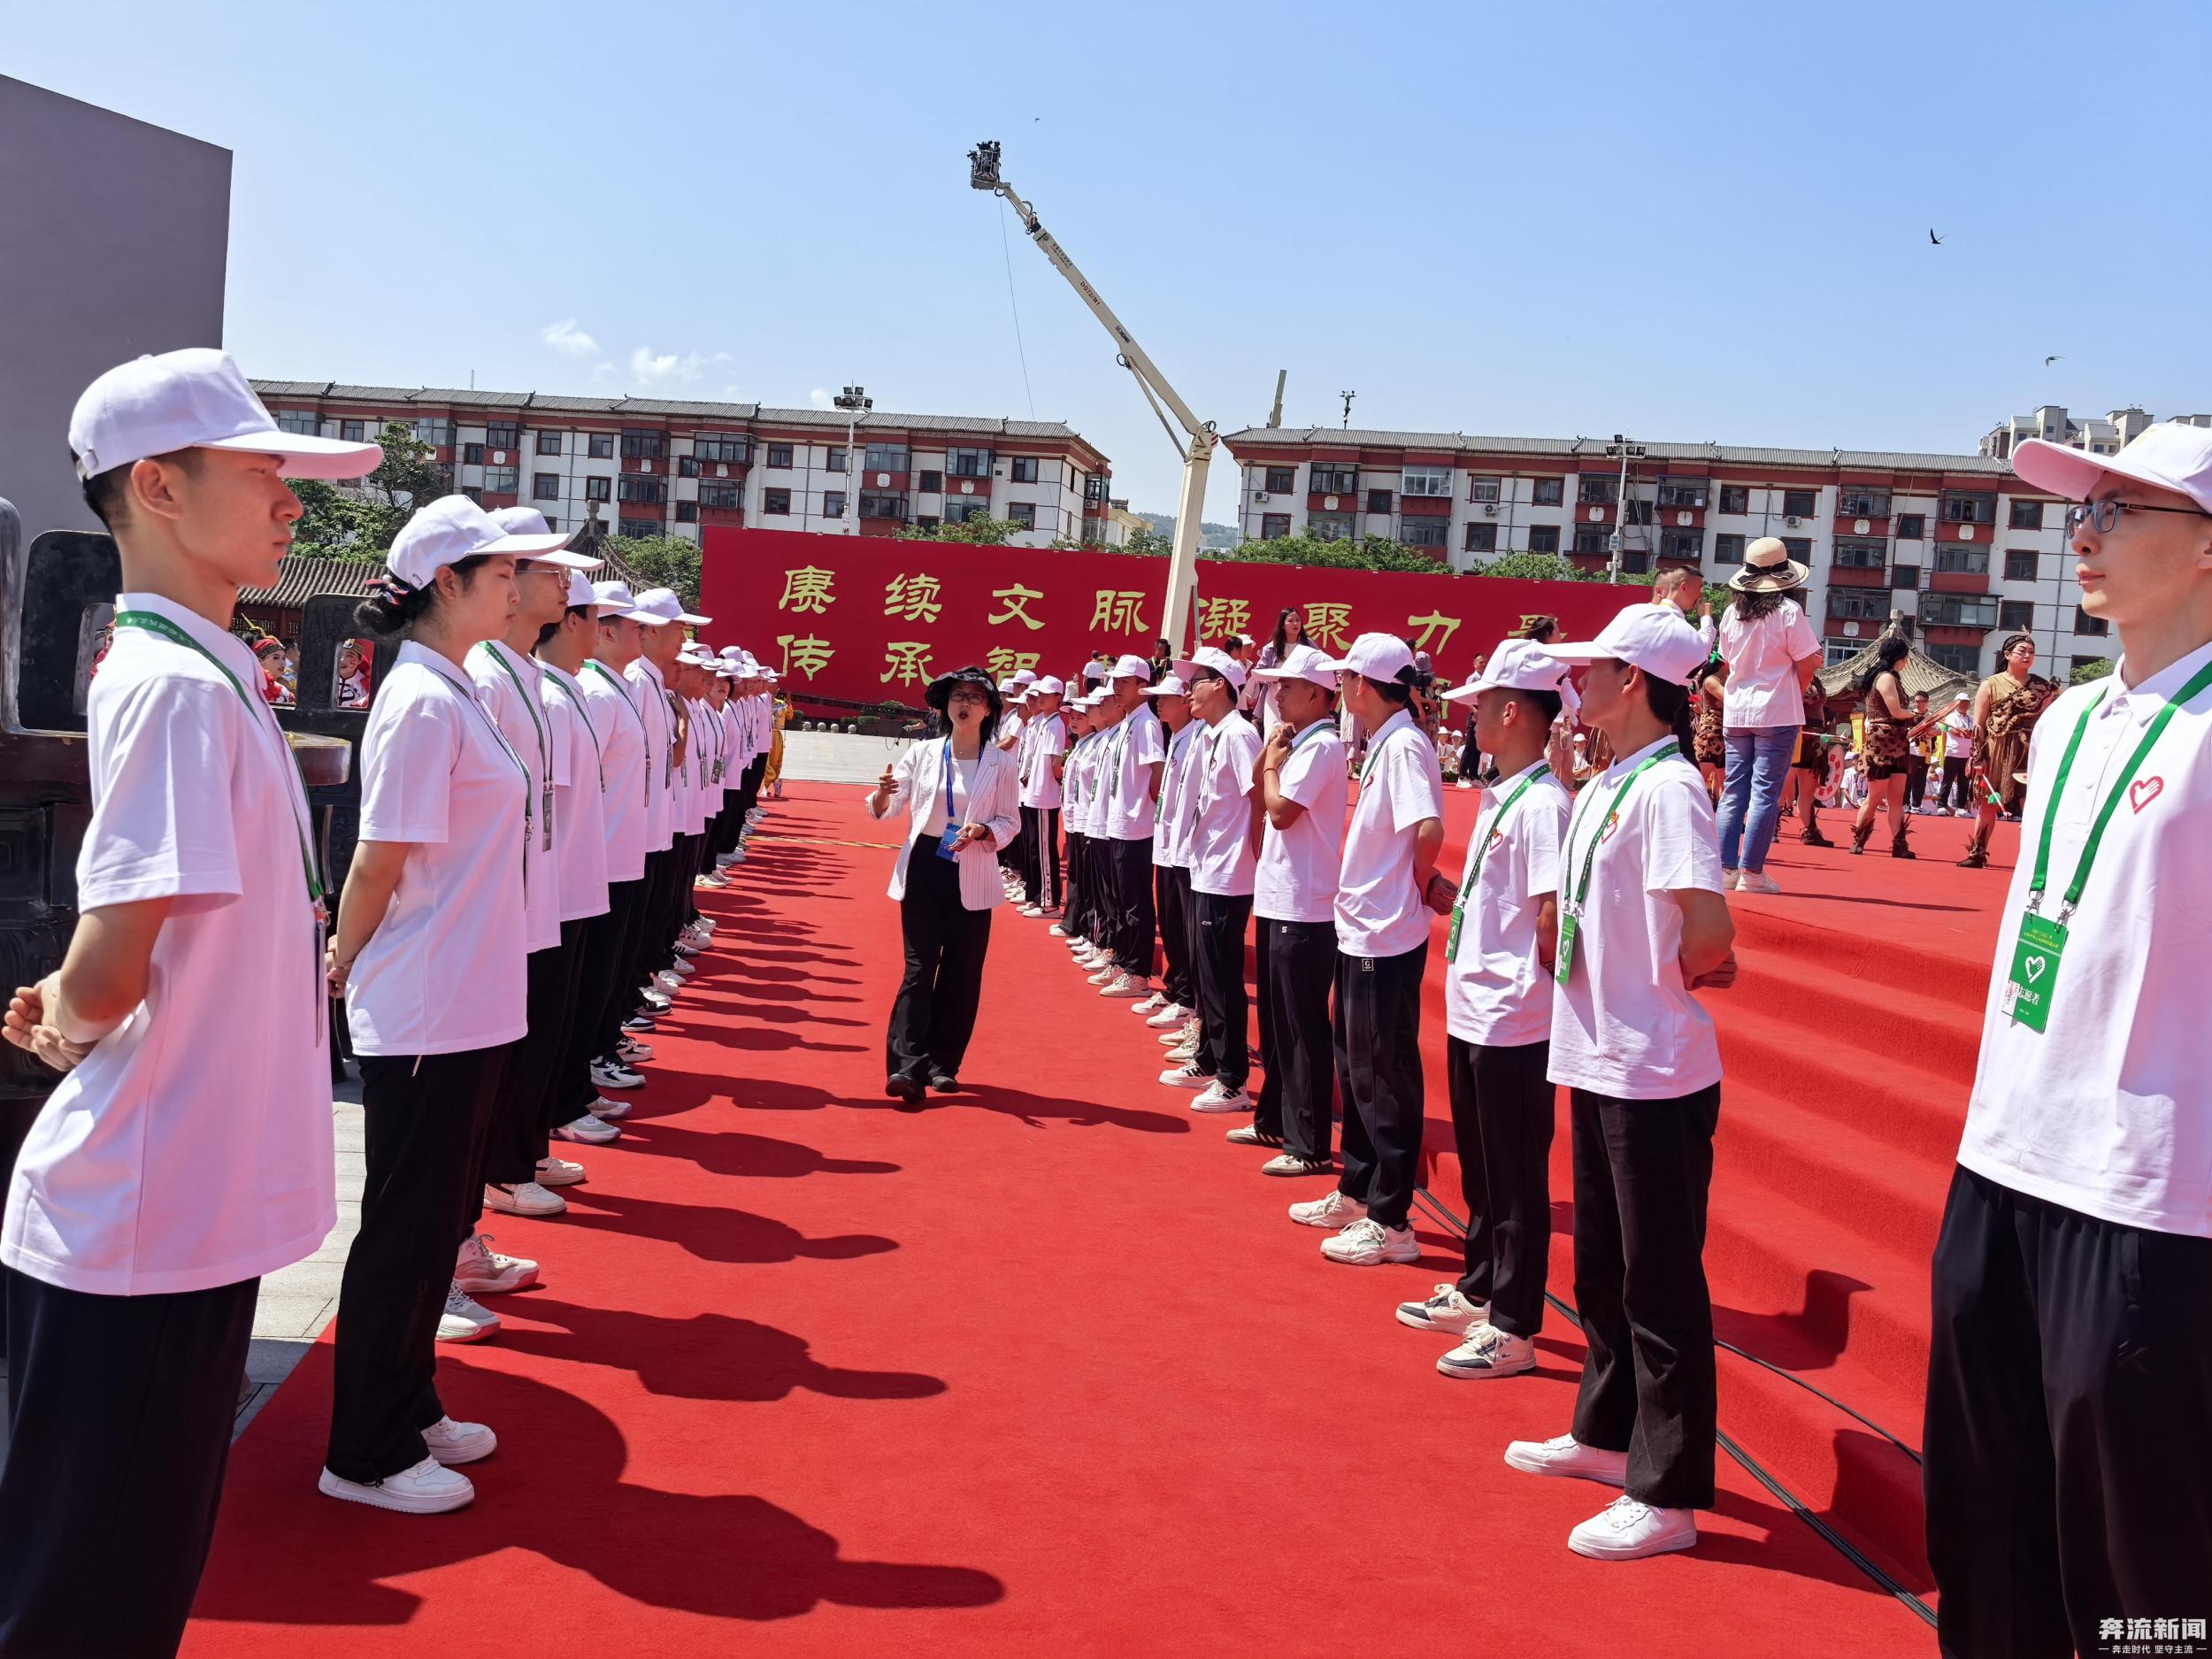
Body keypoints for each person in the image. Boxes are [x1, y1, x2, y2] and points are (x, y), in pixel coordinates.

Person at [0, 349, 380, 1654]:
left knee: (115, 1571)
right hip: (145, 1214)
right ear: (158, 487)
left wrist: (69, 1005)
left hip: (177, 1203)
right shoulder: (168, 685)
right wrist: (65, 1013)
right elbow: (114, 965)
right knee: (89, 1590)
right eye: (264, 472)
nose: (291, 503)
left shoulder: (202, 674)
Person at [1924, 420, 2212, 1656]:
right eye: (2081, 510)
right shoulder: (2063, 719)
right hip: (2002, 1154)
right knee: (1985, 1510)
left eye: (2119, 511)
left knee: (2147, 1559)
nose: (2081, 535)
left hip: (2149, 1189)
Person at [320, 495, 569, 1513]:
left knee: (431, 1231)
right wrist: (343, 959)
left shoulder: (457, 687)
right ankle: (364, 1452)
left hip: (470, 999)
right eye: (501, 572)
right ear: (446, 583)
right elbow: (379, 859)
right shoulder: (422, 700)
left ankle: (411, 1401)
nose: (518, 587)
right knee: (403, 1231)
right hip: (426, 1003)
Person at [1504, 601, 1737, 1562]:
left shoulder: (1668, 788)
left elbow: (1711, 933)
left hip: (1654, 1067)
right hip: (1598, 1052)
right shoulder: (1608, 780)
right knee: (1602, 1264)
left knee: (1661, 1279)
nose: (1574, 679)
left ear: (1633, 679)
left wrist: (1658, 983)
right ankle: (1605, 1434)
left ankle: (1669, 1492)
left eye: (1589, 666)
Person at [1410, 640, 1576, 1379]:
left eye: (1480, 705)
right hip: (1475, 1005)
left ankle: (1513, 1322)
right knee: (1482, 1167)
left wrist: (1524, 985)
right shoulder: (1501, 792)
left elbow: (1549, 917)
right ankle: (1480, 1284)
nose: (1469, 717)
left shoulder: (1544, 803)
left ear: (1512, 713)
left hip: (1514, 1014)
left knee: (1515, 1176)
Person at [1288, 634, 1446, 1266]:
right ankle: (1358, 1189)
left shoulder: (1404, 745)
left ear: (1362, 684)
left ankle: (1391, 1218)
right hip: (1362, 929)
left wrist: (1416, 887)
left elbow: (1427, 829)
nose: (1343, 688)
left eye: (1347, 677)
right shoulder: (1385, 740)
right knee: (1356, 1068)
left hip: (1386, 932)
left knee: (1383, 1075)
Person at [467, 511, 605, 1225]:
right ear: (509, 581)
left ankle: (523, 1150)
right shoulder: (487, 677)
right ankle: (501, 1168)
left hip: (543, 885)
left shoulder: (529, 676)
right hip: (507, 898)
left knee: (542, 1030)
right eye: (551, 571)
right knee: (514, 1043)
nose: (565, 585)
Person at [866, 668, 1019, 1105]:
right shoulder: (924, 752)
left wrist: (984, 830)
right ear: (945, 705)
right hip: (924, 866)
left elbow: (1011, 821)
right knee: (918, 968)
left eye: (974, 697)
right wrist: (882, 794)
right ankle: (906, 1067)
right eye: (957, 696)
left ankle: (943, 1065)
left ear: (988, 709)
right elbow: (888, 807)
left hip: (972, 866)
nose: (964, 703)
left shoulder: (1001, 762)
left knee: (962, 971)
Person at [1246, 642, 1348, 1176]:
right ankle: (1275, 1120)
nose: (1277, 694)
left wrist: (1273, 765)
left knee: (1302, 1025)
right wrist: (1272, 754)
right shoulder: (1296, 742)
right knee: (1277, 1020)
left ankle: (1308, 1144)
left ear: (1315, 693)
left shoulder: (1321, 747)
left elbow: (1281, 811)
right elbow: (1259, 788)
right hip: (1281, 895)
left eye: (1286, 686)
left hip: (1305, 905)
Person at [1164, 648, 1262, 1113]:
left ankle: (1232, 1079)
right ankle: (1207, 1059)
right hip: (1204, 867)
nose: (1189, 692)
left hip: (1228, 874)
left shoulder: (1240, 735)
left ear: (1221, 685)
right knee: (1206, 976)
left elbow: (1258, 799)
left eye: (1196, 682)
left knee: (1222, 979)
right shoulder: (1211, 734)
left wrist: (1253, 858)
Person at [1714, 536, 1823, 893]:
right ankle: (1752, 873)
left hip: (1737, 711)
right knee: (1764, 793)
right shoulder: (1788, 611)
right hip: (1776, 711)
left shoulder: (1731, 613)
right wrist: (1798, 689)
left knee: (1733, 791)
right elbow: (1809, 661)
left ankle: (1725, 869)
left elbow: (1726, 661)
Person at [1094, 653, 1165, 1000]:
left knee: (1136, 902)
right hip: (1119, 823)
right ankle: (1122, 961)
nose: (1117, 688)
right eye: (1115, 682)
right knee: (1122, 900)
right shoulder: (1127, 722)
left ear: (1142, 685)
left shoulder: (1147, 724)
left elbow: (1157, 773)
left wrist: (1143, 809)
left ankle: (1137, 973)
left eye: (1124, 682)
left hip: (1136, 827)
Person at [1957, 632, 2059, 869]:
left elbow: (2052, 719)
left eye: (2031, 652)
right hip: (1997, 750)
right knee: (1988, 803)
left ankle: (2035, 859)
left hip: (2028, 751)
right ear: (2007, 655)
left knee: (2031, 804)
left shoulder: (2044, 687)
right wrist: (1978, 758)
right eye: (2022, 651)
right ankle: (1978, 852)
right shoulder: (1990, 684)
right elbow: (1979, 724)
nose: (2027, 655)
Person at [1135, 672, 1200, 1034]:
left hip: (1186, 848)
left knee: (1183, 926)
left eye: (1165, 698)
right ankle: (1176, 989)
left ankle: (1187, 997)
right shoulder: (1175, 736)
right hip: (1167, 843)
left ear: (1185, 702)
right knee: (1171, 922)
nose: (1158, 703)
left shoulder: (1196, 739)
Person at [1849, 636, 1917, 858]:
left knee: (1897, 798)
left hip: (1897, 740)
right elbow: (1896, 712)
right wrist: (1917, 715)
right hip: (1882, 742)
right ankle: (1859, 839)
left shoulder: (1890, 677)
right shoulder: (1886, 677)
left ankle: (1899, 843)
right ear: (1899, 658)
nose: (1907, 661)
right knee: (1875, 796)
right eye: (1905, 657)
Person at [1015, 676, 1068, 916]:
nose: (1040, 698)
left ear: (1058, 698)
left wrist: (1056, 782)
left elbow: (1055, 763)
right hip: (1034, 794)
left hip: (1045, 796)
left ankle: (1049, 902)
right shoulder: (1045, 723)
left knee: (1045, 851)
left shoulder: (1055, 725)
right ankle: (1037, 897)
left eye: (1047, 695)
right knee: (1035, 849)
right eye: (1040, 694)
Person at [1252, 605, 1308, 731]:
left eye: (1298, 620)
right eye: (1291, 621)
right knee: (1274, 731)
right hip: (1275, 693)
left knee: (1296, 731)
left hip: (1299, 692)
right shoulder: (1271, 647)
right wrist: (1273, 676)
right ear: (1282, 625)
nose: (1295, 623)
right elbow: (1259, 672)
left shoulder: (1308, 645)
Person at [1651, 566, 1716, 652]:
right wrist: (1707, 617)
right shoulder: (1678, 626)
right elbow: (1701, 649)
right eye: (1699, 588)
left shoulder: (1636, 612)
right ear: (1684, 587)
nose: (1701, 595)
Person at [1692, 655, 1727, 801]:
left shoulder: (1725, 681)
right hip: (1709, 738)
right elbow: (1730, 700)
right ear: (1725, 664)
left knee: (1727, 788)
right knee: (1697, 783)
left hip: (1724, 737)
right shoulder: (1711, 681)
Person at [1935, 691, 1974, 815]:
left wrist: (1968, 733)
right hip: (1952, 753)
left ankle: (1960, 807)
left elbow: (1974, 733)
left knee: (1964, 782)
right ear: (1956, 704)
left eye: (1966, 702)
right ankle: (1941, 805)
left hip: (1967, 755)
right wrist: (1964, 733)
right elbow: (1953, 731)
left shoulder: (1971, 719)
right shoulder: (1951, 717)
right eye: (1961, 702)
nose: (1964, 705)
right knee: (1948, 780)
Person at [1904, 692, 1935, 813]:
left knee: (1921, 779)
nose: (1918, 704)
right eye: (1916, 701)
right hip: (1912, 750)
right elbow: (1906, 732)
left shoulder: (1931, 716)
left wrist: (1927, 732)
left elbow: (1939, 731)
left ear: (1927, 701)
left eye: (1921, 701)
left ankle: (1916, 805)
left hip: (1926, 751)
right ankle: (1905, 803)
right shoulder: (1910, 715)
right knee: (1909, 778)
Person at [254, 634, 296, 705]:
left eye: (284, 658)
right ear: (259, 661)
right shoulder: (247, 687)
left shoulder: (284, 692)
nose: (282, 663)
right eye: (276, 658)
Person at [335, 636, 373, 709]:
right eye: (340, 653)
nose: (342, 659)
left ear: (360, 661)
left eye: (350, 656)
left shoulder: (366, 685)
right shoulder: (326, 678)